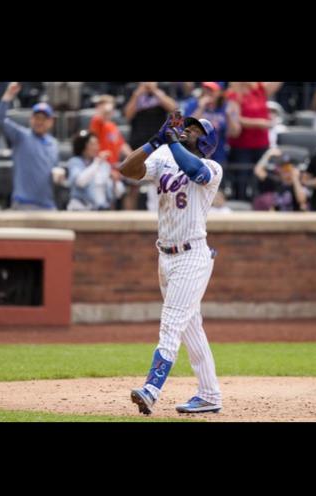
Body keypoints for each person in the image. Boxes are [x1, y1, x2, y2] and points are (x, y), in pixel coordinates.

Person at [118, 111, 225, 415]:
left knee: (171, 322)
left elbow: (194, 172)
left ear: (206, 142)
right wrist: (155, 141)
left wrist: (172, 142)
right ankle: (209, 395)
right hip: (165, 255)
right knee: (191, 329)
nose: (187, 129)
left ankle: (151, 389)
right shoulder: (164, 156)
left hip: (192, 255)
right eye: (186, 126)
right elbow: (127, 169)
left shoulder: (211, 168)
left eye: (195, 129)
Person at [0, 82, 59, 210]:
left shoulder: (54, 144)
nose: (39, 122)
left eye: (43, 118)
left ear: (51, 122)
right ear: (31, 119)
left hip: (47, 205)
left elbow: (54, 170)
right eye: (36, 118)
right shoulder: (21, 136)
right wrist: (8, 95)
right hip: (24, 203)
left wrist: (59, 176)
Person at [225, 82, 282, 200]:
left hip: (261, 143)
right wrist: (258, 123)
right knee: (241, 181)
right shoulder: (233, 94)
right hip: (241, 146)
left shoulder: (259, 89)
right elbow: (235, 118)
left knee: (263, 179)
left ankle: (263, 205)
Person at [62, 130, 126, 210]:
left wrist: (115, 182)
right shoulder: (75, 162)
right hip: (80, 209)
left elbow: (118, 193)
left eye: (96, 144)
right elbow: (80, 182)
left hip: (102, 210)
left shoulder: (104, 165)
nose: (96, 147)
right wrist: (97, 163)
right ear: (82, 146)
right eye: (92, 144)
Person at [182, 81, 240, 166]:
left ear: (220, 92)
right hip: (195, 153)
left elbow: (235, 133)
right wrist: (201, 108)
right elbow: (186, 128)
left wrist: (228, 116)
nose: (207, 92)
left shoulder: (227, 107)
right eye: (206, 88)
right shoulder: (193, 104)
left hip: (219, 154)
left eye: (212, 90)